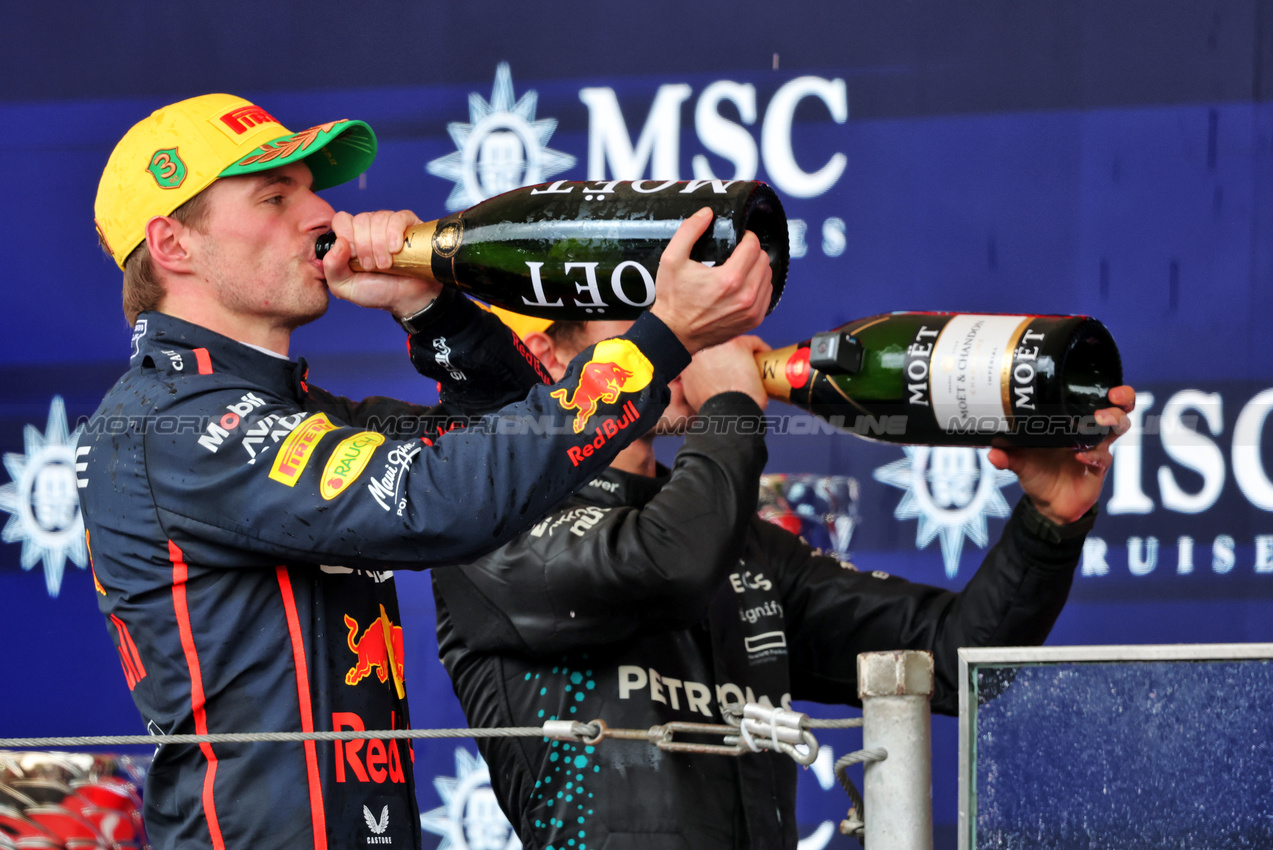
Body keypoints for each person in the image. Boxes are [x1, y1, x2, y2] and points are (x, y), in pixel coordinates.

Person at [77, 93, 773, 850]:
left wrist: (429, 309)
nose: (322, 216)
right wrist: (661, 335)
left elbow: (508, 441)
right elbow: (435, 502)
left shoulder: (292, 410)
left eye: (314, 189)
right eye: (276, 197)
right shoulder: (170, 423)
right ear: (173, 244)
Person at [432, 311, 1137, 850]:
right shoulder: (483, 530)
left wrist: (1049, 521)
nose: (687, 327)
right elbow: (668, 564)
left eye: (689, 308)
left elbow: (952, 660)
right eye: (649, 311)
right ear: (544, 355)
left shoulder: (741, 544)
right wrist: (731, 412)